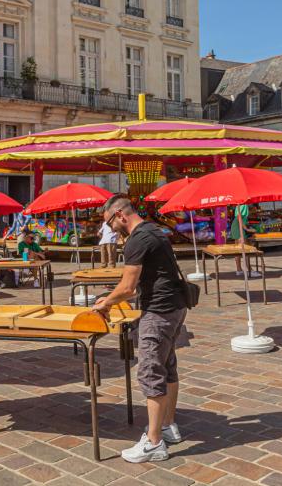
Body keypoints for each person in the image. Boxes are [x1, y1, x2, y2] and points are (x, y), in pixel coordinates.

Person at [94, 195, 189, 463]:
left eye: (110, 223)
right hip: (174, 307)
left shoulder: (137, 239)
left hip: (158, 312)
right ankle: (168, 425)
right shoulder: (153, 230)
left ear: (120, 215)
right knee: (168, 366)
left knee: (150, 372)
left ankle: (154, 442)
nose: (111, 229)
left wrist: (106, 302)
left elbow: (128, 287)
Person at [228, 204, 260, 278]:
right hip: (239, 227)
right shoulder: (244, 204)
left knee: (238, 250)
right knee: (245, 250)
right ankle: (250, 270)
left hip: (236, 226)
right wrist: (246, 229)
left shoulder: (239, 204)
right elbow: (239, 216)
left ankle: (239, 270)